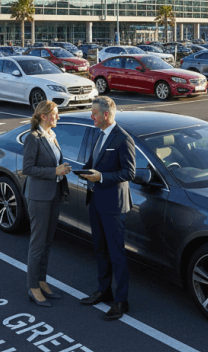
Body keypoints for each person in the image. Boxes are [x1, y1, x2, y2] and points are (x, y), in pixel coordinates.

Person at [77, 96, 136, 321]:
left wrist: (101, 177)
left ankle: (121, 301)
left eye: (94, 113)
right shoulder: (99, 134)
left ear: (105, 114)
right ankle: (104, 291)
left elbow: (129, 172)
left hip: (113, 206)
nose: (91, 116)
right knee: (100, 250)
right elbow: (93, 162)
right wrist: (81, 172)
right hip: (96, 201)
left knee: (117, 254)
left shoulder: (123, 139)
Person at [21, 101, 71, 307]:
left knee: (48, 242)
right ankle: (33, 287)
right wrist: (54, 171)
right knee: (38, 244)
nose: (58, 117)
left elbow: (53, 162)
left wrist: (61, 170)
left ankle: (42, 281)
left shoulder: (51, 135)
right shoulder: (33, 138)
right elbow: (27, 168)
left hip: (54, 194)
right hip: (39, 197)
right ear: (43, 116)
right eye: (55, 114)